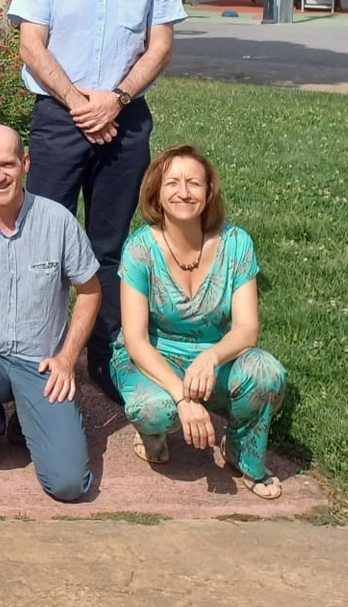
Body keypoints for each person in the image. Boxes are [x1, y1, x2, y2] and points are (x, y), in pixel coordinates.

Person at [10, 0, 187, 403]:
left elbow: (160, 47)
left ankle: (105, 357)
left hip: (124, 118)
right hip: (60, 119)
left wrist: (116, 99)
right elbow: (31, 47)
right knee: (43, 240)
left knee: (108, 247)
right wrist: (81, 104)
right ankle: (34, 350)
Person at [0, 126, 101, 499]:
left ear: (24, 163)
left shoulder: (57, 221)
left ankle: (28, 420)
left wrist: (67, 358)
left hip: (41, 362)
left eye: (8, 164)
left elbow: (90, 291)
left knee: (69, 485)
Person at [113, 145, 287, 500]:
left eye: (194, 183)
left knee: (268, 374)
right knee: (154, 410)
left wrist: (210, 358)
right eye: (172, 183)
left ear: (209, 193)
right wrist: (182, 397)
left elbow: (247, 329)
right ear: (156, 195)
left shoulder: (237, 244)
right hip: (154, 358)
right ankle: (153, 435)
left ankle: (241, 451)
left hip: (216, 357)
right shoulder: (139, 249)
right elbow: (135, 339)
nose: (183, 192)